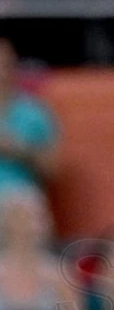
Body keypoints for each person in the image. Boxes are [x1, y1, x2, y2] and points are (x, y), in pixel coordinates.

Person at [0, 39, 58, 204]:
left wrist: (17, 149)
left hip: (19, 198)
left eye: (5, 66)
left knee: (21, 210)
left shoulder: (35, 113)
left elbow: (52, 170)